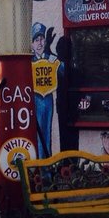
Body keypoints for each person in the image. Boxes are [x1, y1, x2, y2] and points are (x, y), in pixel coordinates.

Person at [31, 22, 63, 158]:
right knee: (36, 134)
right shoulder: (29, 61)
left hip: (48, 98)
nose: (40, 43)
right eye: (36, 40)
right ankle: (39, 165)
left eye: (42, 39)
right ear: (32, 44)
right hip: (34, 99)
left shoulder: (51, 58)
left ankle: (46, 168)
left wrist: (56, 61)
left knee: (47, 132)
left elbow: (63, 71)